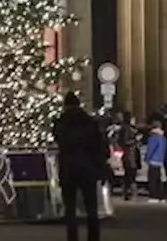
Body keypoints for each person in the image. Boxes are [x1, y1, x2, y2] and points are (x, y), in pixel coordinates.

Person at [53, 91, 106, 241]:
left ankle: (72, 237)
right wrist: (100, 167)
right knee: (91, 207)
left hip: (68, 169)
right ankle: (93, 237)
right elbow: (99, 147)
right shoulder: (90, 122)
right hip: (88, 168)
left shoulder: (61, 122)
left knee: (70, 208)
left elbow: (60, 142)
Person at [144, 118, 167, 202]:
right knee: (158, 179)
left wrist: (147, 158)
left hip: (153, 160)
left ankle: (153, 196)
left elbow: (151, 149)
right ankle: (161, 196)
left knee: (152, 179)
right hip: (159, 160)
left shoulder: (153, 137)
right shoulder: (163, 138)